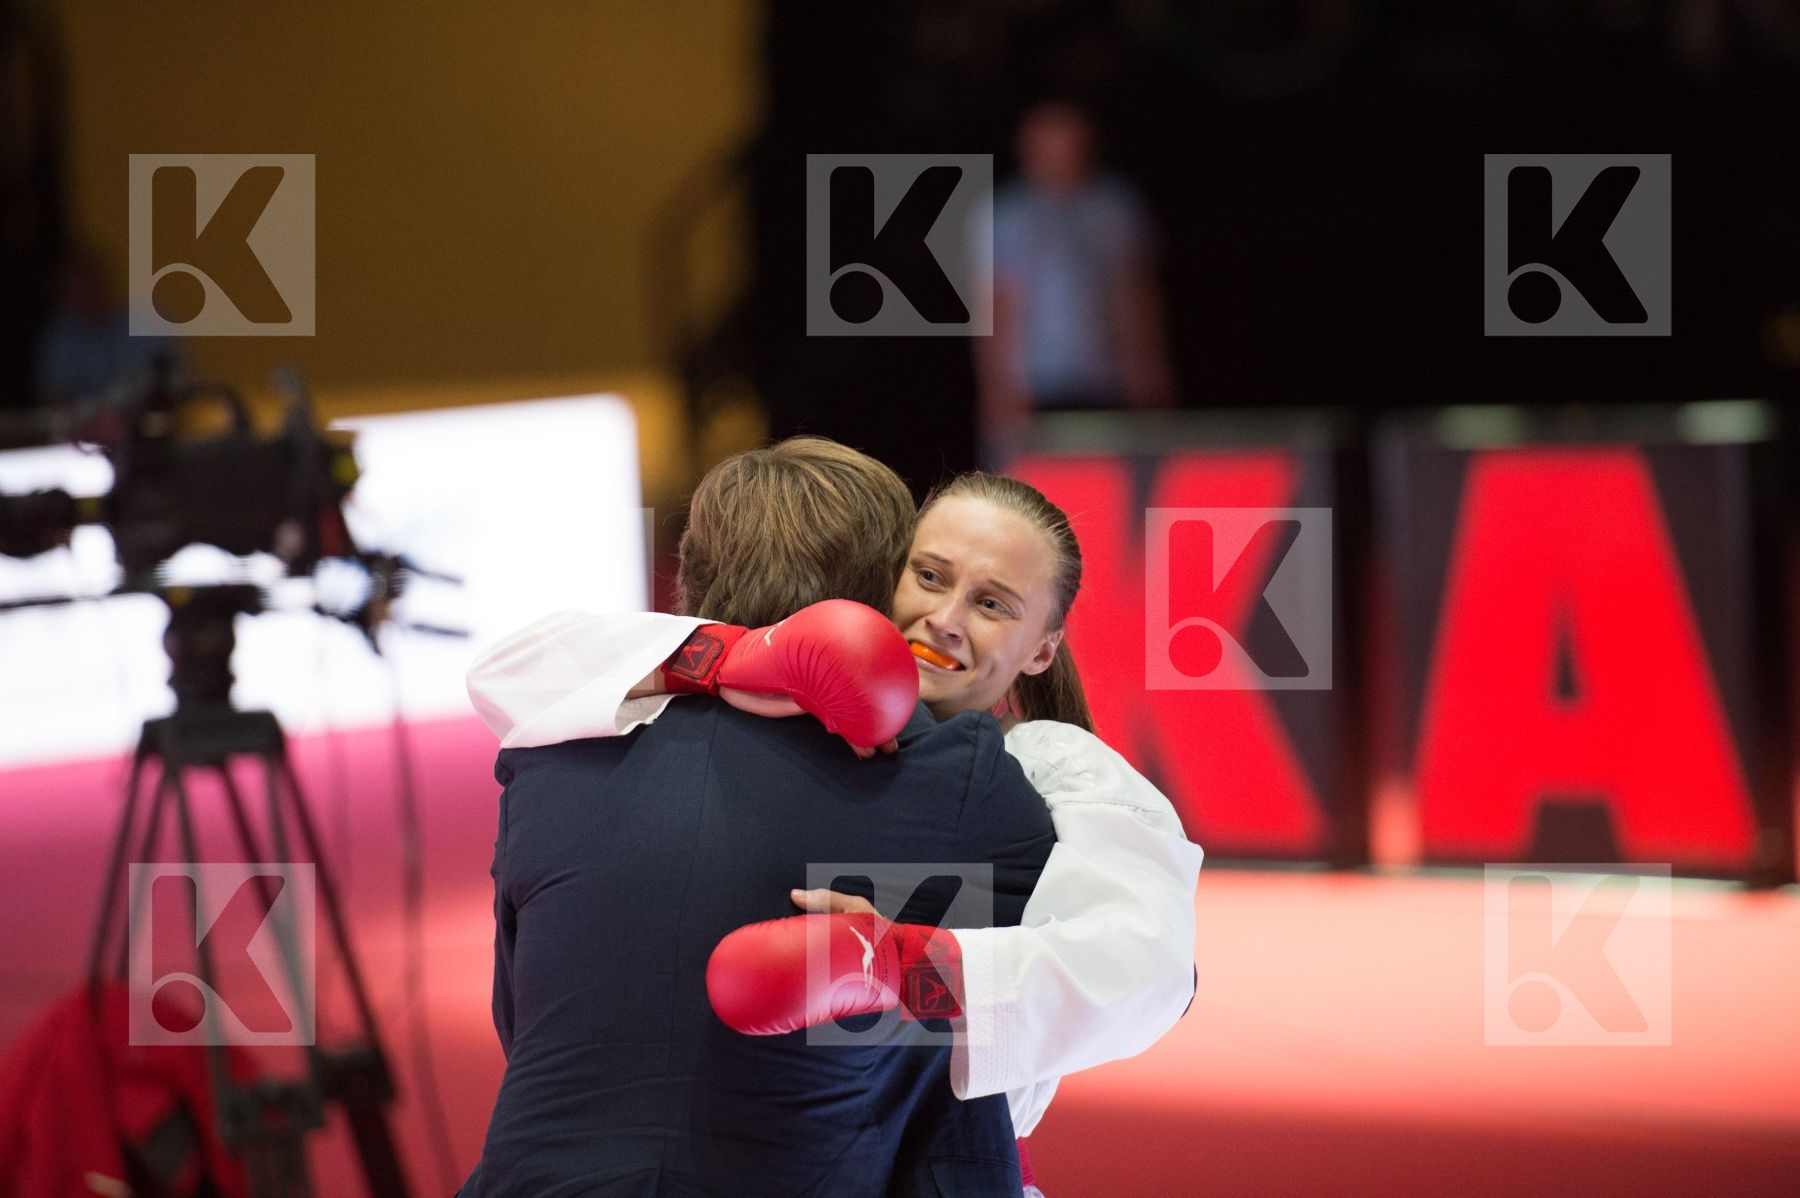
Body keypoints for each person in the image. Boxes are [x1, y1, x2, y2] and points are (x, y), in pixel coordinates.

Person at [469, 469, 1204, 1191]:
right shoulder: (757, 708)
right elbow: (510, 669)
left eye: (991, 604)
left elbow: (1150, 966)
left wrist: (900, 964)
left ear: (1042, 650)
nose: (947, 617)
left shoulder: (1042, 767)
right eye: (929, 574)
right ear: (877, 578)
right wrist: (737, 658)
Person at [972, 101, 1175, 459]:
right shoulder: (1004, 213)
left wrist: (1148, 372)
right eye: (1048, 146)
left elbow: (1135, 296)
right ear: (1026, 149)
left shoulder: (1114, 206)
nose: (1059, 156)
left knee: (1114, 479)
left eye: (1069, 144)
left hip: (1106, 380)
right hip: (1036, 385)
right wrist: (1000, 389)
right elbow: (994, 305)